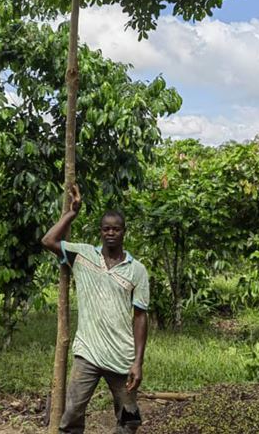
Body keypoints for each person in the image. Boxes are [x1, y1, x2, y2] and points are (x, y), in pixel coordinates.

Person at [42, 184, 150, 434]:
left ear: (124, 232)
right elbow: (49, 240)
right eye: (106, 229)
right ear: (100, 232)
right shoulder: (83, 256)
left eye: (116, 229)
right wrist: (72, 213)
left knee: (129, 419)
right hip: (87, 355)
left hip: (122, 358)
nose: (111, 233)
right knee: (71, 416)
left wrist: (138, 362)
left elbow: (140, 316)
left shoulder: (137, 270)